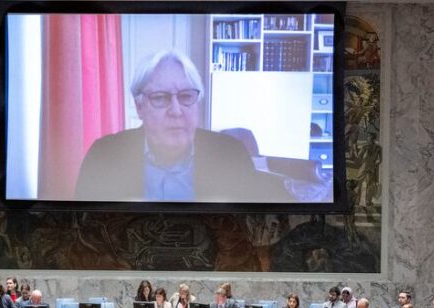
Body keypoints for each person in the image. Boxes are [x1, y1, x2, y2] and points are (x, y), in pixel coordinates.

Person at [74, 50, 285, 202]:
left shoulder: (230, 154)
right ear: (139, 107)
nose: (176, 110)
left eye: (186, 96)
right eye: (160, 98)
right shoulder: (104, 156)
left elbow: (250, 233)